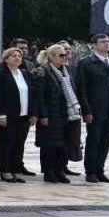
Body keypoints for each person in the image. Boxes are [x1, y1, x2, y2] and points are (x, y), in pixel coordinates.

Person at [75, 33, 109, 183]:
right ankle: (91, 171)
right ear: (94, 45)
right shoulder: (86, 63)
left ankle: (100, 170)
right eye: (102, 42)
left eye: (108, 41)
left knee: (106, 142)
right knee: (94, 141)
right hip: (95, 110)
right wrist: (86, 110)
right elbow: (82, 89)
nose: (106, 44)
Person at [34, 44, 80, 184]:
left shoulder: (66, 72)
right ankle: (49, 172)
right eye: (61, 55)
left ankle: (60, 170)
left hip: (66, 113)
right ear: (51, 56)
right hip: (50, 114)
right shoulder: (42, 72)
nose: (64, 57)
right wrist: (42, 115)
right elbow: (39, 96)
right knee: (49, 145)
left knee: (63, 144)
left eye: (65, 55)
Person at [0, 46, 34, 184]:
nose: (17, 58)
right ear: (6, 59)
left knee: (19, 143)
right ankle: (5, 171)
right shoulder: (1, 74)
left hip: (23, 115)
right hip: (7, 115)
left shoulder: (24, 73)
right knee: (6, 142)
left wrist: (33, 113)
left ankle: (16, 169)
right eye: (14, 56)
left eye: (19, 56)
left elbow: (31, 94)